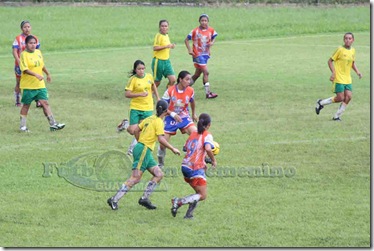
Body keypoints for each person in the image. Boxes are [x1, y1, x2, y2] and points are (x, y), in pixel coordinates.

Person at [107, 100, 181, 210]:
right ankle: (114, 199)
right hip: (144, 150)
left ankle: (144, 198)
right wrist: (172, 148)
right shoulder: (159, 122)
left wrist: (139, 141)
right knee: (135, 178)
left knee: (158, 174)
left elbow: (136, 129)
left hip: (144, 150)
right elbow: (161, 138)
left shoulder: (149, 118)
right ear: (165, 112)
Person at [170, 113, 217, 219]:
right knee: (203, 195)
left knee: (198, 192)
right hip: (195, 168)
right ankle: (179, 201)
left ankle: (189, 214)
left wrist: (203, 159)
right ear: (209, 125)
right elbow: (208, 148)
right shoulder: (207, 135)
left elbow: (186, 148)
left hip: (185, 166)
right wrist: (213, 160)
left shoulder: (193, 133)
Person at [19, 35, 65, 132]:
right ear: (26, 44)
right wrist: (36, 75)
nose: (33, 45)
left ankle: (53, 124)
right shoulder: (24, 55)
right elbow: (25, 69)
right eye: (30, 43)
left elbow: (42, 65)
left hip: (40, 84)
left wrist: (47, 73)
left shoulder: (38, 52)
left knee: (45, 103)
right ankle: (22, 126)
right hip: (29, 86)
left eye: (34, 43)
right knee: (26, 105)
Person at [315, 32, 362, 121]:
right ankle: (321, 102)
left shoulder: (353, 50)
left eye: (349, 38)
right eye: (346, 38)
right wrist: (333, 72)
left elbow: (352, 63)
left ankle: (337, 116)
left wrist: (358, 72)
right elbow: (329, 61)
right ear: (343, 40)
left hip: (348, 79)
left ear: (353, 40)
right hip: (339, 78)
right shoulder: (340, 49)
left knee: (348, 97)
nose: (348, 40)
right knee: (340, 98)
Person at [157, 70, 198, 169]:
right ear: (180, 79)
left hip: (183, 116)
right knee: (162, 144)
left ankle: (186, 147)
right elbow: (162, 106)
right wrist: (173, 113)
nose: (189, 81)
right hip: (170, 117)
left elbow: (192, 102)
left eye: (190, 79)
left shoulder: (190, 90)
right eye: (187, 79)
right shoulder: (170, 91)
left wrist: (193, 114)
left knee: (196, 133)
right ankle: (160, 164)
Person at [122, 60, 160, 156]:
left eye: (143, 69)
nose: (141, 71)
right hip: (135, 107)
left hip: (148, 107)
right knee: (133, 131)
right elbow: (127, 94)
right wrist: (140, 94)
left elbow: (153, 85)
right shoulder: (133, 80)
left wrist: (158, 97)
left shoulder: (149, 76)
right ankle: (126, 124)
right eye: (139, 69)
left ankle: (133, 149)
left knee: (142, 130)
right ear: (135, 70)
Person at [185, 14, 218, 99]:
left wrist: (212, 43)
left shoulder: (211, 30)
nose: (204, 22)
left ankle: (182, 87)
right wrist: (190, 50)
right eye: (202, 20)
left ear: (208, 21)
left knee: (197, 74)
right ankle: (208, 93)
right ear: (199, 21)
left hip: (205, 55)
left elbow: (214, 37)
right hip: (197, 54)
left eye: (205, 21)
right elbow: (186, 40)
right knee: (206, 72)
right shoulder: (195, 31)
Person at [12, 20, 42, 108]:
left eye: (28, 27)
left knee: (35, 81)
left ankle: (38, 101)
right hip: (20, 65)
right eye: (25, 27)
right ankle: (17, 100)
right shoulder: (18, 38)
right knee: (19, 82)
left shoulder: (34, 38)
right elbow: (14, 51)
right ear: (22, 28)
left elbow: (37, 51)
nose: (27, 29)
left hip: (32, 64)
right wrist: (19, 61)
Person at [151, 20, 176, 88]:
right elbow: (155, 48)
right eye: (162, 26)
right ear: (159, 27)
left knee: (173, 79)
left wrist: (171, 46)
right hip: (158, 61)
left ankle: (167, 94)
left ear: (168, 27)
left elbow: (167, 46)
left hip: (166, 61)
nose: (164, 27)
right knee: (157, 82)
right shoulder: (158, 36)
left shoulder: (167, 35)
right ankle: (149, 95)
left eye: (166, 26)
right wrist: (166, 46)